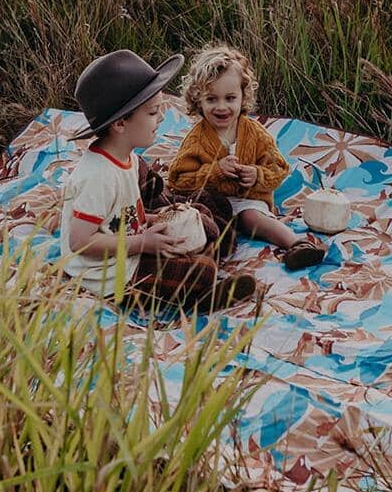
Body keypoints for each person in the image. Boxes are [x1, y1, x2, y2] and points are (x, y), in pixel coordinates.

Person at [60, 49, 256, 312]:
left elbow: (121, 215)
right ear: (120, 124)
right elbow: (80, 242)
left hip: (128, 244)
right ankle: (199, 295)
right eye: (153, 112)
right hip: (106, 274)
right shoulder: (98, 176)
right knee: (203, 269)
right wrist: (141, 243)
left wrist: (156, 219)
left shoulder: (126, 158)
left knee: (199, 216)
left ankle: (193, 272)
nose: (162, 118)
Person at [168, 45, 326, 270]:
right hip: (210, 203)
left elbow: (279, 168)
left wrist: (257, 175)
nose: (221, 107)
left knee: (253, 218)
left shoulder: (254, 133)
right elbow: (177, 180)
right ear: (197, 100)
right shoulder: (196, 139)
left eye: (230, 98)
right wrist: (215, 172)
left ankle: (297, 245)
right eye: (212, 99)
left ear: (243, 97)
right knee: (201, 225)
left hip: (246, 201)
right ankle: (204, 269)